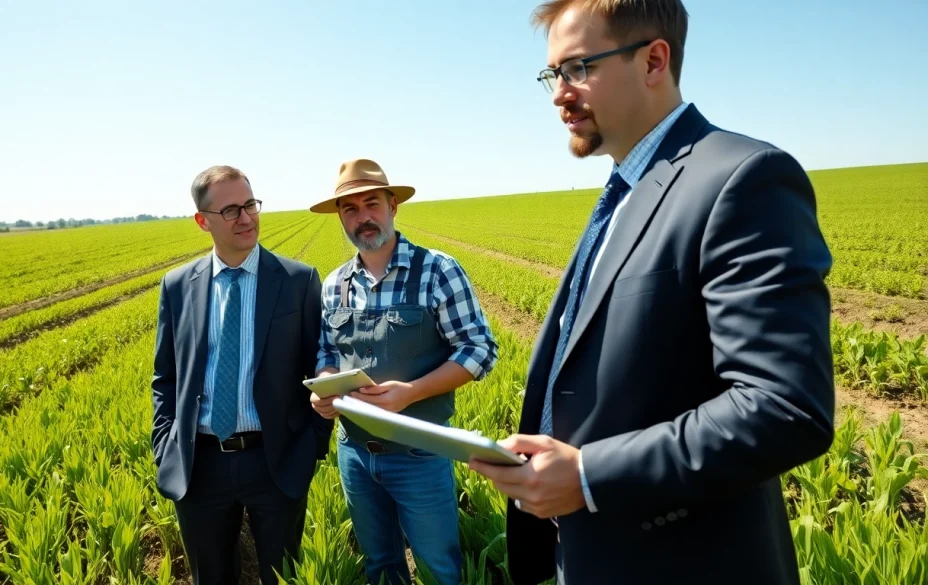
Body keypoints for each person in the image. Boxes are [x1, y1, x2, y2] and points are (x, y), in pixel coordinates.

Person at [467, 2, 835, 584]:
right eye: (551, 75)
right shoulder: (626, 190)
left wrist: (589, 474)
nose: (559, 93)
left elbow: (783, 407)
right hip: (591, 554)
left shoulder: (742, 178)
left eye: (578, 68)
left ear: (654, 60)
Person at [307, 158, 499, 585]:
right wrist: (323, 388)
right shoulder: (335, 284)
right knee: (380, 565)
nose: (363, 217)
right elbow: (327, 350)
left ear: (393, 206)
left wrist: (410, 392)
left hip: (420, 453)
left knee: (439, 569)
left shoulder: (437, 270)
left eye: (371, 203)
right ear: (340, 218)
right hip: (354, 453)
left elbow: (480, 350)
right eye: (350, 210)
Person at [150, 165, 332, 585]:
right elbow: (166, 377)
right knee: (210, 577)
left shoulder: (297, 281)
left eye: (250, 204)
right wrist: (166, 444)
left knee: (281, 576)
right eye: (231, 210)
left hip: (276, 462)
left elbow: (317, 365)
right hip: (200, 465)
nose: (246, 218)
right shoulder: (177, 286)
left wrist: (310, 448)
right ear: (203, 221)